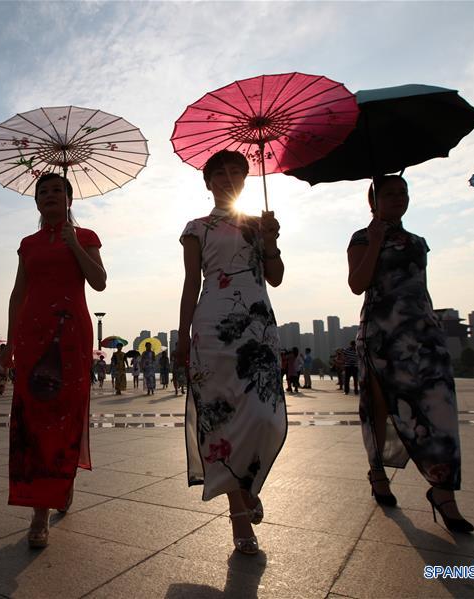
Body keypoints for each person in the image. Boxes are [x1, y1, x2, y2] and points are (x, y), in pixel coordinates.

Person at [176, 150, 287, 555]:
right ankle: (239, 514)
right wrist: (182, 335)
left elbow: (275, 277)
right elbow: (192, 282)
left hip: (257, 326)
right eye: (219, 173)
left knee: (263, 417)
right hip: (212, 327)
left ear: (245, 178)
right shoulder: (196, 228)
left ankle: (249, 486)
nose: (227, 177)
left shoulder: (259, 225)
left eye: (236, 171)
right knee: (221, 421)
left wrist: (271, 242)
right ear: (208, 182)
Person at [347, 174, 472, 533]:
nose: (398, 198)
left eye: (403, 192)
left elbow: (419, 288)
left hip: (423, 333)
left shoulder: (418, 242)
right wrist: (375, 242)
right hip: (382, 334)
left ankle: (443, 491)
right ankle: (377, 471)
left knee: (440, 408)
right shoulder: (361, 238)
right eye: (389, 193)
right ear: (373, 201)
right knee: (379, 408)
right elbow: (358, 283)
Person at [2, 172, 106, 549]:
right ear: (35, 201)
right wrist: (10, 342)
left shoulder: (85, 236)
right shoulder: (27, 244)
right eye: (42, 191)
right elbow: (18, 294)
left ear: (69, 199)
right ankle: (39, 511)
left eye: (57, 190)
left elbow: (99, 281)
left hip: (71, 336)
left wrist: (74, 245)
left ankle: (62, 480)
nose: (49, 195)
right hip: (33, 334)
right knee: (33, 417)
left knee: (65, 413)